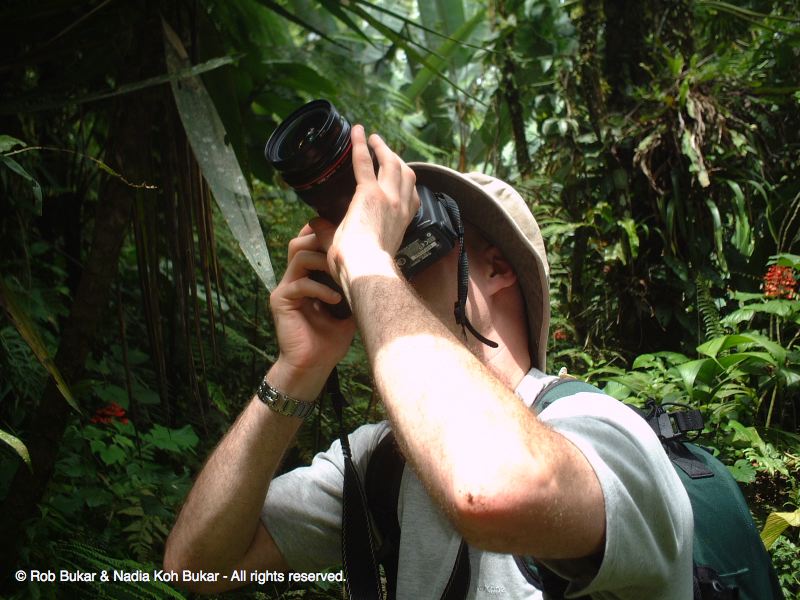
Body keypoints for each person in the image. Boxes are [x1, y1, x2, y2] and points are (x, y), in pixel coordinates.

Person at [163, 124, 694, 598]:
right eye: (385, 238)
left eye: (412, 236)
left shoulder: (601, 431)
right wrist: (298, 368)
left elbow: (488, 489)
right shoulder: (383, 460)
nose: (390, 260)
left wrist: (369, 259)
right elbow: (196, 570)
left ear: (496, 267)